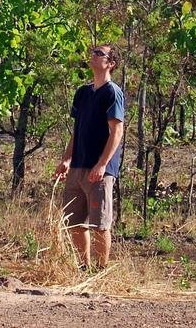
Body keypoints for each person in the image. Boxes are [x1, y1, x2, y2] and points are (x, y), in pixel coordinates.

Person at [54, 43, 125, 269]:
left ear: (110, 64)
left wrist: (103, 164)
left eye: (99, 54)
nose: (92, 56)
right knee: (74, 222)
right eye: (92, 52)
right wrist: (67, 159)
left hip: (99, 170)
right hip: (77, 166)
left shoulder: (112, 92)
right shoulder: (83, 92)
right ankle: (84, 268)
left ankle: (101, 270)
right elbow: (77, 131)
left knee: (100, 225)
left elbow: (117, 131)